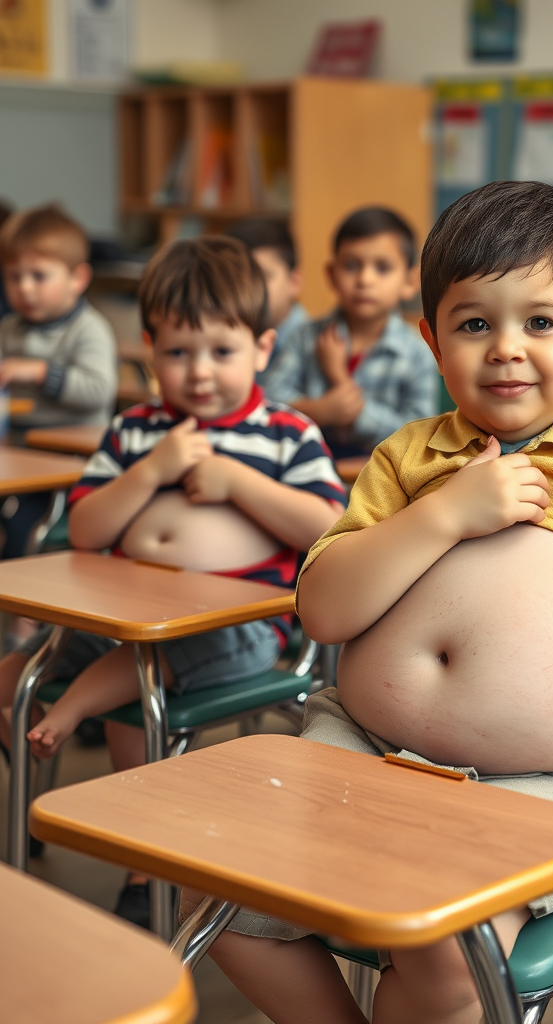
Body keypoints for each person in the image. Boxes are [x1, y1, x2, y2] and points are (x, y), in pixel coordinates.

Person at [193, 180, 553, 1024]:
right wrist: (444, 514)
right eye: (474, 323)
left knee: (444, 939)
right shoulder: (407, 459)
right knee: (220, 909)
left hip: (545, 784)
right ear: (431, 339)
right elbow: (323, 610)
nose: (506, 348)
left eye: (540, 322)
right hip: (358, 748)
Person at [0, 235, 345, 925]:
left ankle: (139, 860)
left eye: (221, 351)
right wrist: (152, 469)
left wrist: (236, 480)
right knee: (11, 673)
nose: (199, 373)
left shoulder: (285, 433)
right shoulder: (135, 431)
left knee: (142, 679)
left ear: (263, 348)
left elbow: (327, 525)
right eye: (177, 353)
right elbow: (89, 529)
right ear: (149, 348)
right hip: (122, 614)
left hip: (240, 630)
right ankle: (44, 806)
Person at [261, 206, 438, 457]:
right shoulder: (306, 337)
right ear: (332, 276)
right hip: (306, 469)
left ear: (409, 282)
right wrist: (320, 410)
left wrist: (342, 383)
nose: (365, 279)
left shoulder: (417, 352)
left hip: (385, 481)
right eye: (352, 266)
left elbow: (420, 435)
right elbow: (267, 400)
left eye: (382, 268)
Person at [0, 204, 118, 557]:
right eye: (13, 276)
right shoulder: (8, 329)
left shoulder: (89, 329)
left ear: (77, 279)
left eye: (38, 276)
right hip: (18, 449)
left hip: (70, 458)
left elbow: (100, 390)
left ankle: (23, 600)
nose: (25, 288)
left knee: (24, 524)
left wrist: (37, 372)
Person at [224, 216, 308, 388]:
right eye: (237, 277)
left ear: (294, 282)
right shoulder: (220, 340)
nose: (250, 287)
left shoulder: (317, 346)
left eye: (263, 276)